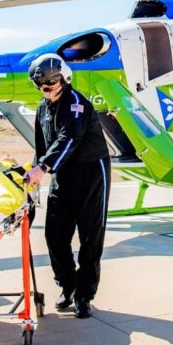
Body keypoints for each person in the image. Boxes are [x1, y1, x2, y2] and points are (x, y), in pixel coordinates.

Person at [24, 53, 110, 319]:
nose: (45, 88)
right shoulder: (43, 108)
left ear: (63, 79)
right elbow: (43, 145)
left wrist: (43, 167)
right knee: (55, 235)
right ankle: (67, 283)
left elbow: (68, 138)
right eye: (40, 84)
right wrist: (35, 168)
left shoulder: (76, 104)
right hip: (62, 174)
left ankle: (84, 295)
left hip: (90, 173)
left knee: (90, 236)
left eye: (50, 83)